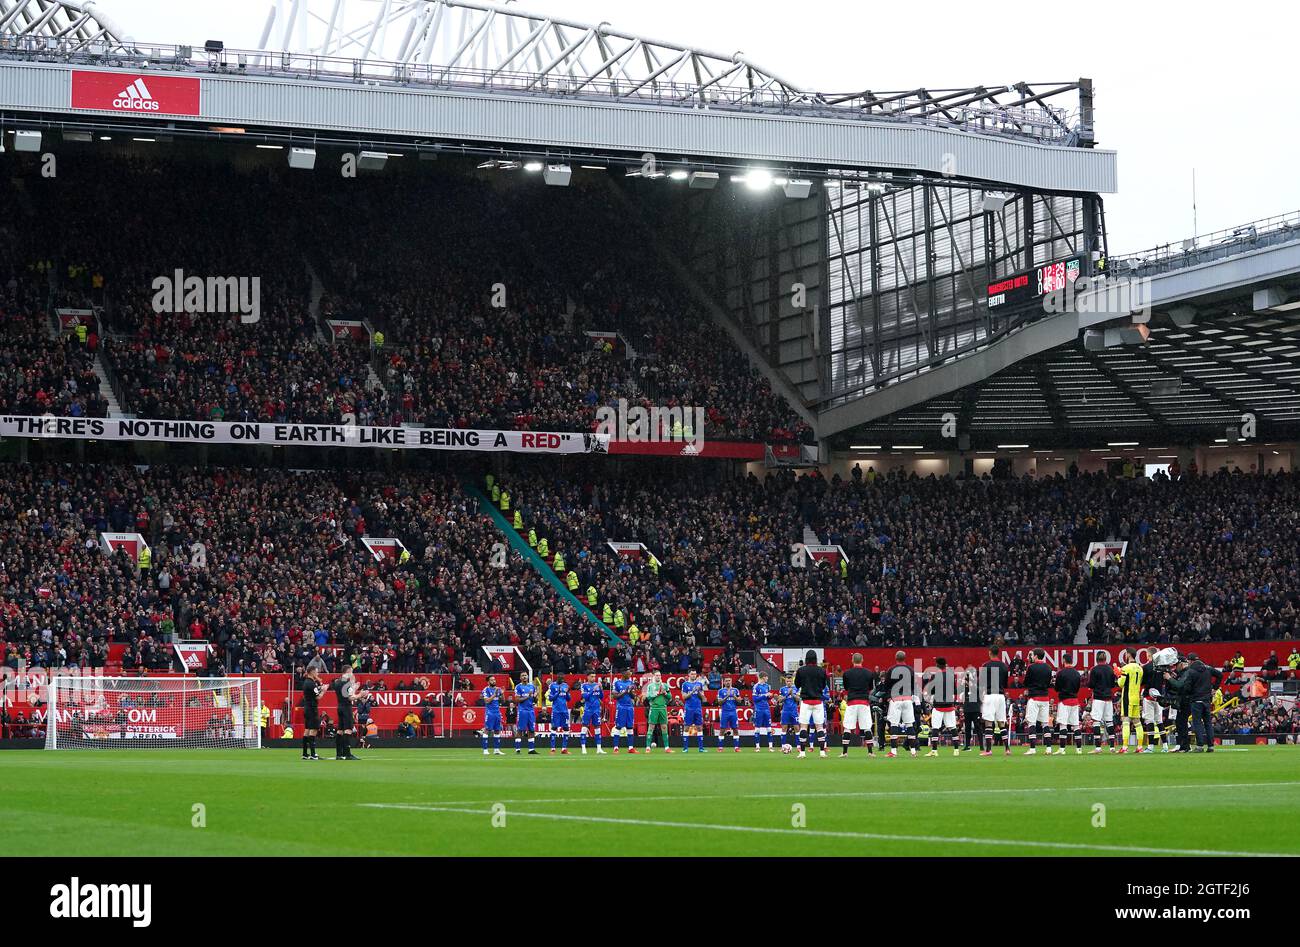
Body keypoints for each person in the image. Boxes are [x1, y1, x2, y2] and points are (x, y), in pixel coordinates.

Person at [793, 650, 829, 759]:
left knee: (803, 727)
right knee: (819, 728)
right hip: (818, 702)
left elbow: (797, 684)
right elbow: (823, 686)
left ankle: (802, 753)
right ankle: (822, 752)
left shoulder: (801, 670)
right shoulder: (822, 671)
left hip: (805, 701)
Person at [840, 653, 876, 757]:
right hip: (864, 702)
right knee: (867, 727)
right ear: (862, 660)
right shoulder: (869, 673)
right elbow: (870, 688)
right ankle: (870, 752)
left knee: (847, 727)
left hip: (851, 702)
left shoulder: (847, 673)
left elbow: (846, 687)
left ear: (852, 660)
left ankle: (844, 752)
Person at [329, 666, 368, 760]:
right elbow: (350, 698)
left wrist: (354, 688)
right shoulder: (346, 683)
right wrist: (360, 695)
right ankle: (347, 754)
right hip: (346, 707)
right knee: (348, 730)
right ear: (348, 672)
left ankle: (339, 754)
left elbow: (345, 694)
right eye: (351, 672)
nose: (352, 674)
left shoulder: (337, 682)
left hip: (340, 706)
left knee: (340, 730)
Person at [883, 650, 917, 758]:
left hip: (896, 699)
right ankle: (913, 751)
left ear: (895, 658)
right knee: (910, 724)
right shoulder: (911, 670)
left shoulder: (891, 670)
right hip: (907, 699)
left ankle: (893, 751)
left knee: (894, 724)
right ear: (905, 658)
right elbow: (914, 685)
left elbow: (886, 685)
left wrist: (888, 697)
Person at [979, 645, 1010, 757]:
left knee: (988, 722)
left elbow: (981, 683)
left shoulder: (985, 665)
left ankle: (988, 750)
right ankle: (1007, 749)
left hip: (990, 695)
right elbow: (1006, 683)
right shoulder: (1004, 666)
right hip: (1000, 696)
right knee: (1001, 722)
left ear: (990, 652)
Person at [1022, 648, 1053, 755]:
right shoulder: (1048, 667)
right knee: (1045, 724)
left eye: (1033, 655)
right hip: (1045, 697)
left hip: (1034, 698)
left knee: (1032, 723)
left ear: (1035, 656)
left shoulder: (1031, 667)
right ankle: (1049, 748)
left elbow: (1025, 682)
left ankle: (1032, 749)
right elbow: (1049, 683)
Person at [924, 656, 957, 757]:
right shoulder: (951, 675)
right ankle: (956, 750)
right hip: (949, 704)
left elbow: (930, 690)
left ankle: (934, 750)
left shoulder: (935, 676)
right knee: (952, 727)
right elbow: (955, 690)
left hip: (938, 705)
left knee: (935, 728)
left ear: (937, 665)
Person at [1185, 653, 1217, 752]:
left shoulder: (1191, 671)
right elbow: (1219, 675)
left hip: (1196, 700)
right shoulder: (1208, 668)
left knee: (1197, 723)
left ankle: (1200, 746)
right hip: (1207, 700)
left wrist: (1188, 694)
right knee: (1208, 723)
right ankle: (1211, 746)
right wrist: (1214, 688)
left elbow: (1187, 687)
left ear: (1190, 661)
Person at [1087, 658, 1119, 753]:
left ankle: (1098, 748)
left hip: (1098, 698)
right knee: (1109, 722)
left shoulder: (1094, 669)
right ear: (1106, 659)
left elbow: (1091, 685)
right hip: (1108, 698)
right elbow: (1113, 685)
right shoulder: (1110, 669)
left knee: (1096, 721)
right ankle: (1112, 747)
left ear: (1096, 659)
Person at [1053, 661, 1084, 755]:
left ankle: (1062, 749)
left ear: (1063, 661)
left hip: (1064, 701)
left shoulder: (1061, 673)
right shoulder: (1077, 673)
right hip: (1074, 700)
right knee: (1076, 726)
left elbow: (1057, 688)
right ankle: (1079, 749)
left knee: (1063, 725)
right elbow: (1078, 687)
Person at [1118, 650, 1145, 754]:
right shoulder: (1140, 668)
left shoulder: (1126, 668)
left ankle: (1124, 747)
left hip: (1127, 697)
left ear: (1128, 655)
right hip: (1136, 697)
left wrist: (1119, 675)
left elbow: (1121, 684)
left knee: (1125, 721)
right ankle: (1140, 747)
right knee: (1137, 722)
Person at [643, 671, 673, 753]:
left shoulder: (665, 685)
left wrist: (665, 693)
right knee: (651, 727)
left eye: (659, 675)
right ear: (654, 676)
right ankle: (648, 747)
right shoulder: (650, 686)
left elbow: (670, 697)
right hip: (654, 708)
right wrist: (655, 694)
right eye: (656, 675)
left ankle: (667, 748)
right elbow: (648, 697)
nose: (658, 677)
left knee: (664, 727)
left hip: (663, 708)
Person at [679, 668, 707, 753]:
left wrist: (698, 691)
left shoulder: (699, 684)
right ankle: (685, 748)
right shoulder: (685, 684)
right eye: (692, 674)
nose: (693, 675)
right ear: (688, 675)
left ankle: (701, 748)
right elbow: (684, 697)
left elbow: (704, 699)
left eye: (695, 674)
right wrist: (692, 691)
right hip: (689, 708)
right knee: (687, 727)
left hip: (698, 708)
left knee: (699, 727)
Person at [300, 666, 324, 760]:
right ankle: (313, 754)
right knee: (313, 729)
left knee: (307, 729)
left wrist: (319, 688)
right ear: (312, 672)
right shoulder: (311, 683)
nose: (317, 674)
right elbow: (317, 697)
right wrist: (323, 690)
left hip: (307, 708)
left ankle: (305, 753)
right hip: (312, 709)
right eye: (316, 672)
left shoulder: (306, 682)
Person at [578, 673, 606, 755]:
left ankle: (599, 748)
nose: (593, 678)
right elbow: (585, 697)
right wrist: (592, 690)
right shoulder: (584, 686)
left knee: (597, 728)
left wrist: (601, 689)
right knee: (584, 727)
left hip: (596, 710)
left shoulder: (597, 685)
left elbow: (601, 697)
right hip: (588, 710)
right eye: (592, 676)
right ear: (588, 677)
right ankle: (583, 748)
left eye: (594, 676)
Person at [611, 671, 638, 753]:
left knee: (630, 727)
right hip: (621, 707)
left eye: (630, 674)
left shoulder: (631, 683)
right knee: (618, 727)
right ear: (623, 674)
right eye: (628, 674)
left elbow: (634, 697)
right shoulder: (617, 683)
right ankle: (615, 748)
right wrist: (625, 691)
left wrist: (630, 693)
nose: (630, 675)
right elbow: (615, 696)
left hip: (630, 707)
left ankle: (630, 748)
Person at [512, 672, 538, 754]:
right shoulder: (518, 687)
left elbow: (534, 700)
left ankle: (531, 749)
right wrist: (528, 696)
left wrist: (535, 697)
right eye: (522, 676)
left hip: (531, 710)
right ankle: (517, 749)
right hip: (522, 711)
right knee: (520, 730)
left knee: (531, 730)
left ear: (528, 677)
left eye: (525, 675)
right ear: (520, 678)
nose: (524, 677)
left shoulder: (532, 686)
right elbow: (516, 700)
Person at [547, 676, 573, 754]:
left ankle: (564, 749)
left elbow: (568, 699)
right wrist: (557, 693)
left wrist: (567, 692)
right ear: (557, 679)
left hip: (564, 711)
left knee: (566, 728)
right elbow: (550, 698)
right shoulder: (552, 685)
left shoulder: (565, 685)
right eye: (560, 680)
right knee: (554, 727)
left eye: (563, 680)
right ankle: (553, 749)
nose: (562, 681)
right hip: (556, 711)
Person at [481, 675, 505, 756]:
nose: (494, 681)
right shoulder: (486, 690)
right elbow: (487, 701)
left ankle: (496, 750)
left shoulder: (497, 689)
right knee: (487, 730)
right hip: (490, 712)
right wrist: (494, 694)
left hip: (497, 712)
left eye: (494, 680)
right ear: (488, 682)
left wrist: (502, 694)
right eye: (491, 680)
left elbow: (503, 701)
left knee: (497, 730)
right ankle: (485, 750)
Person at [716, 676, 741, 752]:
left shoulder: (735, 690)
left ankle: (736, 747)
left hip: (733, 712)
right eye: (726, 681)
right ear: (724, 682)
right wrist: (727, 696)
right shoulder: (721, 691)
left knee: (735, 729)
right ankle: (720, 747)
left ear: (731, 681)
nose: (728, 682)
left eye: (729, 680)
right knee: (722, 729)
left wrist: (733, 695)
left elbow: (739, 701)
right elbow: (719, 702)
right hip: (725, 712)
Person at [750, 676, 774, 752]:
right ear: (763, 677)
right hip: (759, 709)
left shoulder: (767, 686)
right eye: (766, 678)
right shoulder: (756, 686)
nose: (767, 679)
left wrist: (770, 696)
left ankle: (770, 747)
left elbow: (767, 698)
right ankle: (757, 747)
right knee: (757, 728)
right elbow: (754, 699)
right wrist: (764, 695)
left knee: (769, 728)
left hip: (766, 709)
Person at [777, 673, 800, 753]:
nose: (788, 683)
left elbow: (798, 699)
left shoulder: (796, 688)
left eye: (790, 681)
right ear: (785, 681)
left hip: (794, 711)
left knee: (797, 728)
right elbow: (779, 700)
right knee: (784, 728)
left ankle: (798, 747)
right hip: (785, 711)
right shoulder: (782, 689)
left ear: (792, 681)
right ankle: (783, 746)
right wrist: (787, 694)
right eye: (787, 681)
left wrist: (792, 694)